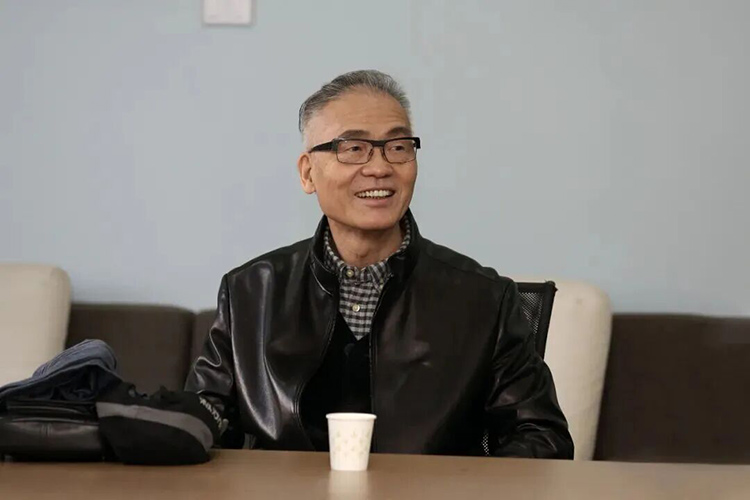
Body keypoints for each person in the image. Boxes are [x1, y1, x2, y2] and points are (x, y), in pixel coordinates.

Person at [186, 70, 574, 459]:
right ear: (307, 173)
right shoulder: (251, 291)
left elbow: (542, 439)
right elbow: (201, 424)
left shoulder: (485, 299)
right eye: (353, 148)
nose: (379, 167)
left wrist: (457, 486)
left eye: (398, 147)